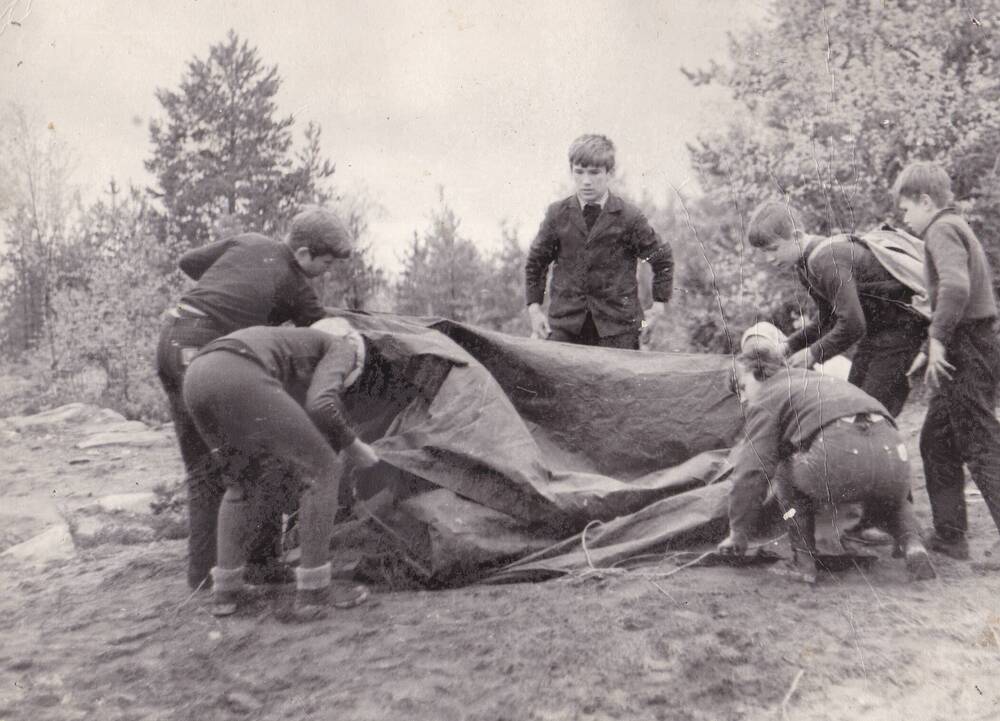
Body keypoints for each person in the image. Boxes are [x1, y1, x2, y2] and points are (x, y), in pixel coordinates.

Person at [155, 206, 353, 589]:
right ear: (303, 255)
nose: (326, 271)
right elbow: (328, 331)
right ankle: (259, 565)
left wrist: (229, 290)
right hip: (206, 351)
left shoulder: (249, 241)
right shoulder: (296, 285)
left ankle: (204, 577)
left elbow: (187, 261)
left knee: (204, 467)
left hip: (171, 339)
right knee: (261, 459)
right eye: (325, 263)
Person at [182, 318, 377, 618]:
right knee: (323, 470)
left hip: (196, 375)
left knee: (240, 483)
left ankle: (227, 591)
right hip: (237, 371)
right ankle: (314, 591)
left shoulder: (288, 343)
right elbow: (321, 405)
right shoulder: (343, 345)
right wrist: (354, 446)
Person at [716, 343, 936, 583]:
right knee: (890, 492)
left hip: (840, 452)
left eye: (743, 388)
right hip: (894, 451)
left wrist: (739, 532)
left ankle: (803, 563)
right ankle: (914, 545)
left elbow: (753, 470)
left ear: (757, 373)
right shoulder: (816, 380)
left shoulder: (769, 395)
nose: (745, 399)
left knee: (784, 469)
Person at [892, 161, 1000, 563]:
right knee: (936, 442)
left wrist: (936, 340)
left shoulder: (941, 228)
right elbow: (951, 297)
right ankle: (951, 536)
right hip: (966, 344)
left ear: (925, 201)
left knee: (981, 443)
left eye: (906, 210)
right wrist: (930, 346)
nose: (904, 219)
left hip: (966, 347)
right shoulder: (953, 226)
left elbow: (956, 287)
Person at [746, 200, 928, 418]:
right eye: (764, 252)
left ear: (796, 235)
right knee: (851, 408)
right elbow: (830, 320)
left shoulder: (825, 260)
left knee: (868, 416)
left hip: (902, 331)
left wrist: (813, 353)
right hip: (878, 334)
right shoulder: (805, 266)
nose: (769, 259)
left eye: (773, 249)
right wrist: (789, 346)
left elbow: (853, 324)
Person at [524, 134, 674, 350]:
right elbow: (536, 264)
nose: (586, 181)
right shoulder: (557, 214)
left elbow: (663, 260)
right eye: (579, 172)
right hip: (565, 328)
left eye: (594, 173)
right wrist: (534, 310)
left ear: (609, 173)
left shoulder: (629, 217)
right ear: (571, 171)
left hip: (619, 331)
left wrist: (658, 308)